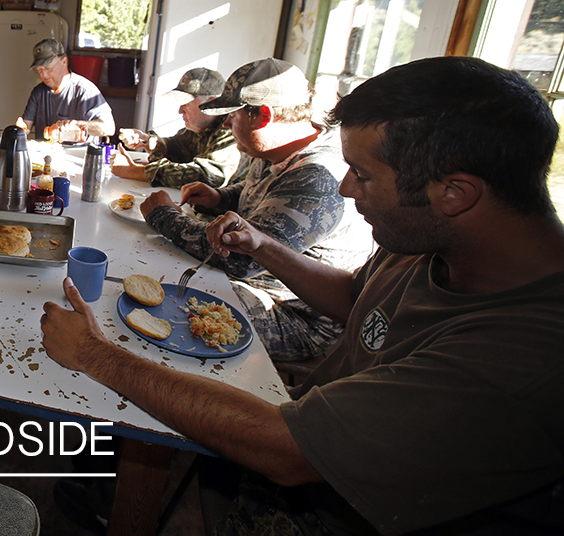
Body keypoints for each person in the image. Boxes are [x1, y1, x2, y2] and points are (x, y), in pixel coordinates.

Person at [42, 56, 564, 535]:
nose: (345, 190)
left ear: (454, 192)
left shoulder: (521, 357)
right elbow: (356, 298)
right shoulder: (432, 243)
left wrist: (95, 356)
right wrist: (266, 245)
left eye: (363, 174)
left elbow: (288, 452)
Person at [139, 58, 372, 361]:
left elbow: (241, 259)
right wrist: (220, 199)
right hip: (254, 283)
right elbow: (263, 199)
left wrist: (163, 215)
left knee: (168, 306)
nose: (225, 123)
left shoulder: (316, 173)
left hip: (296, 314)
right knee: (159, 275)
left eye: (233, 115)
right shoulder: (271, 149)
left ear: (263, 116)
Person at [112, 67, 241, 189]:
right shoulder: (200, 128)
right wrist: (147, 141)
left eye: (186, 103)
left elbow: (210, 175)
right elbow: (177, 147)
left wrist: (137, 171)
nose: (180, 110)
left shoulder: (230, 130)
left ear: (212, 103)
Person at [17, 38, 115, 141]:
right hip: (46, 152)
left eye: (49, 68)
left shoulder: (85, 91)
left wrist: (77, 124)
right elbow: (25, 126)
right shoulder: (39, 92)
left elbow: (109, 128)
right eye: (40, 70)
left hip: (78, 154)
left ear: (64, 61)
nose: (44, 75)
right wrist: (19, 131)